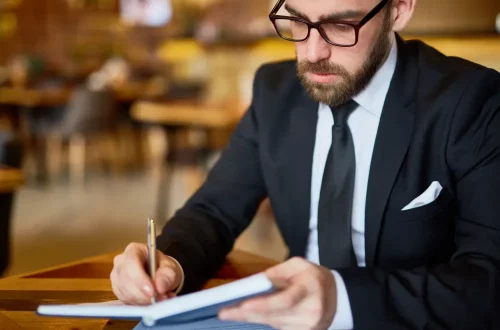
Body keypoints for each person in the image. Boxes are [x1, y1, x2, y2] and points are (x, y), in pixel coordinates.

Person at [110, 0, 500, 329]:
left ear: (399, 9)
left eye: (341, 25)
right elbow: (214, 210)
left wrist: (341, 300)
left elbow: (488, 280)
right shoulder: (273, 92)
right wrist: (168, 263)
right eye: (297, 21)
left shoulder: (471, 102)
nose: (313, 53)